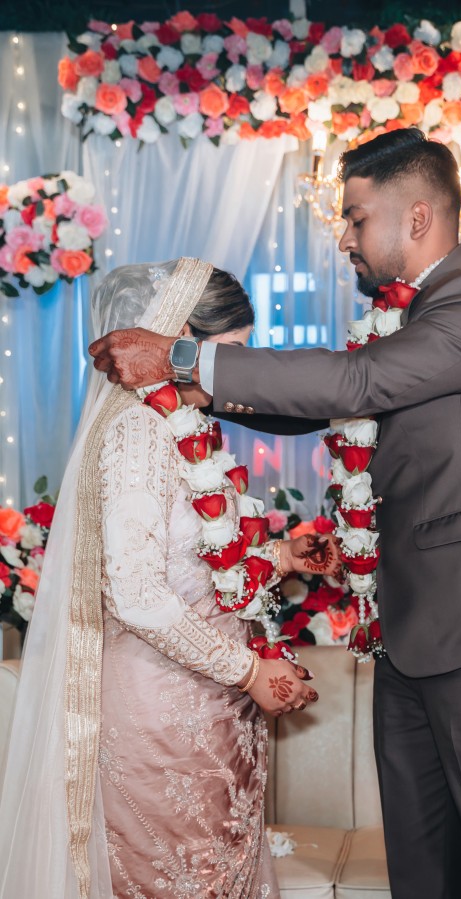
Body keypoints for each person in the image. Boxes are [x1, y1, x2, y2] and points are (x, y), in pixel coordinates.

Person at [90, 130, 461, 899]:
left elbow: (354, 383)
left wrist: (183, 358)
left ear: (416, 218)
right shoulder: (418, 320)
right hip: (413, 646)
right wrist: (190, 392)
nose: (344, 238)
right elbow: (333, 403)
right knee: (423, 875)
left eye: (355, 219)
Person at [0, 258, 341, 899]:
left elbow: (199, 565)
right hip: (160, 715)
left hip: (212, 707)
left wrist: (284, 556)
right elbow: (135, 594)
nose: (234, 374)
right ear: (179, 338)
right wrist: (249, 671)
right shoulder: (137, 431)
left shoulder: (182, 427)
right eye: (231, 351)